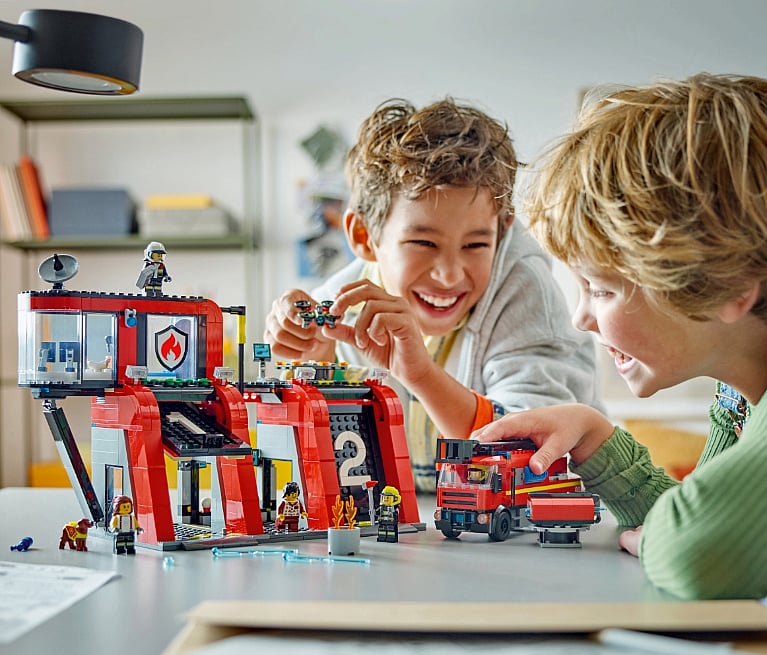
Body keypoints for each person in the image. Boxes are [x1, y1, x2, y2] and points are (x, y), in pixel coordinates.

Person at [472, 73, 767, 600]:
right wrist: (597, 440)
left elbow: (697, 551)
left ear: (730, 284)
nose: (580, 318)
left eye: (601, 289)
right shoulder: (740, 397)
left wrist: (664, 541)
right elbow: (702, 521)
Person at [264, 97, 602, 492]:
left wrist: (421, 375)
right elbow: (308, 470)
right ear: (364, 236)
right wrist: (316, 373)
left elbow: (531, 458)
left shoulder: (525, 292)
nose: (449, 274)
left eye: (475, 245)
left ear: (503, 231)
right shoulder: (336, 312)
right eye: (423, 242)